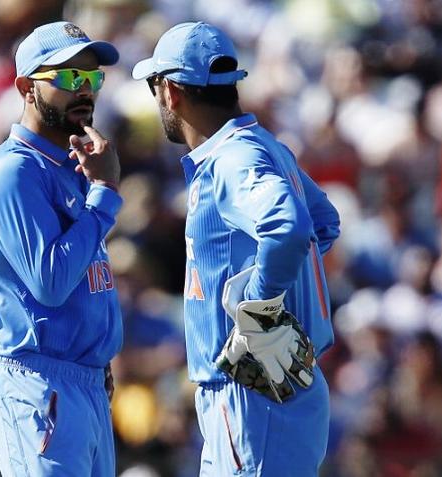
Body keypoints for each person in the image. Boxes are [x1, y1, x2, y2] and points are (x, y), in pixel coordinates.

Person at [132, 22, 340, 476]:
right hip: (274, 384)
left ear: (169, 91)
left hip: (255, 395)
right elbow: (322, 224)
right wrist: (289, 303)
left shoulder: (231, 157)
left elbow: (289, 226)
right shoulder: (264, 147)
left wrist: (264, 310)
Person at [0, 21, 123, 476]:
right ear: (25, 88)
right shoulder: (12, 173)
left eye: (93, 79)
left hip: (85, 382)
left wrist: (96, 357)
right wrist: (106, 192)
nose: (86, 91)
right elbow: (51, 282)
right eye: (70, 78)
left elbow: (85, 277)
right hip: (38, 384)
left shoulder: (74, 166)